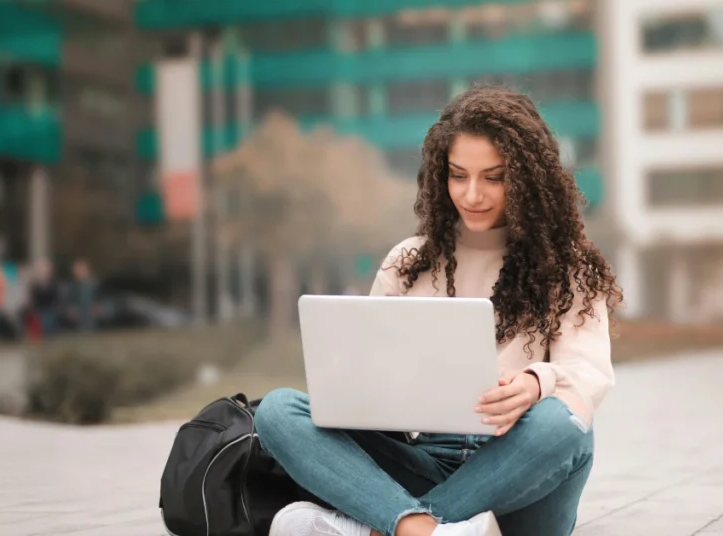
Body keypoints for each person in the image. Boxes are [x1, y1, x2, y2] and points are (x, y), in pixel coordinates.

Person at [254, 86, 623, 536]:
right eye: (458, 175)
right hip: (423, 457)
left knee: (567, 425)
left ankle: (387, 528)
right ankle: (429, 529)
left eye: (494, 177)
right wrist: (365, 390)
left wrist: (534, 383)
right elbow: (365, 377)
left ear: (529, 178)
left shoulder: (568, 266)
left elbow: (588, 374)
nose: (472, 195)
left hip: (520, 469)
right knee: (276, 411)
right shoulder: (407, 263)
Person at [29, 259, 61, 337]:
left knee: (50, 323)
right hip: (40, 310)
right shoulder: (35, 284)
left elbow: (56, 297)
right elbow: (34, 299)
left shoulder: (53, 282)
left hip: (51, 308)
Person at [66, 258, 98, 333]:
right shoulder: (72, 285)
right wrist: (71, 309)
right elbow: (70, 300)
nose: (79, 272)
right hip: (79, 314)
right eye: (77, 270)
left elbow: (98, 298)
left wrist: (96, 306)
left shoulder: (94, 284)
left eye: (81, 269)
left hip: (91, 312)